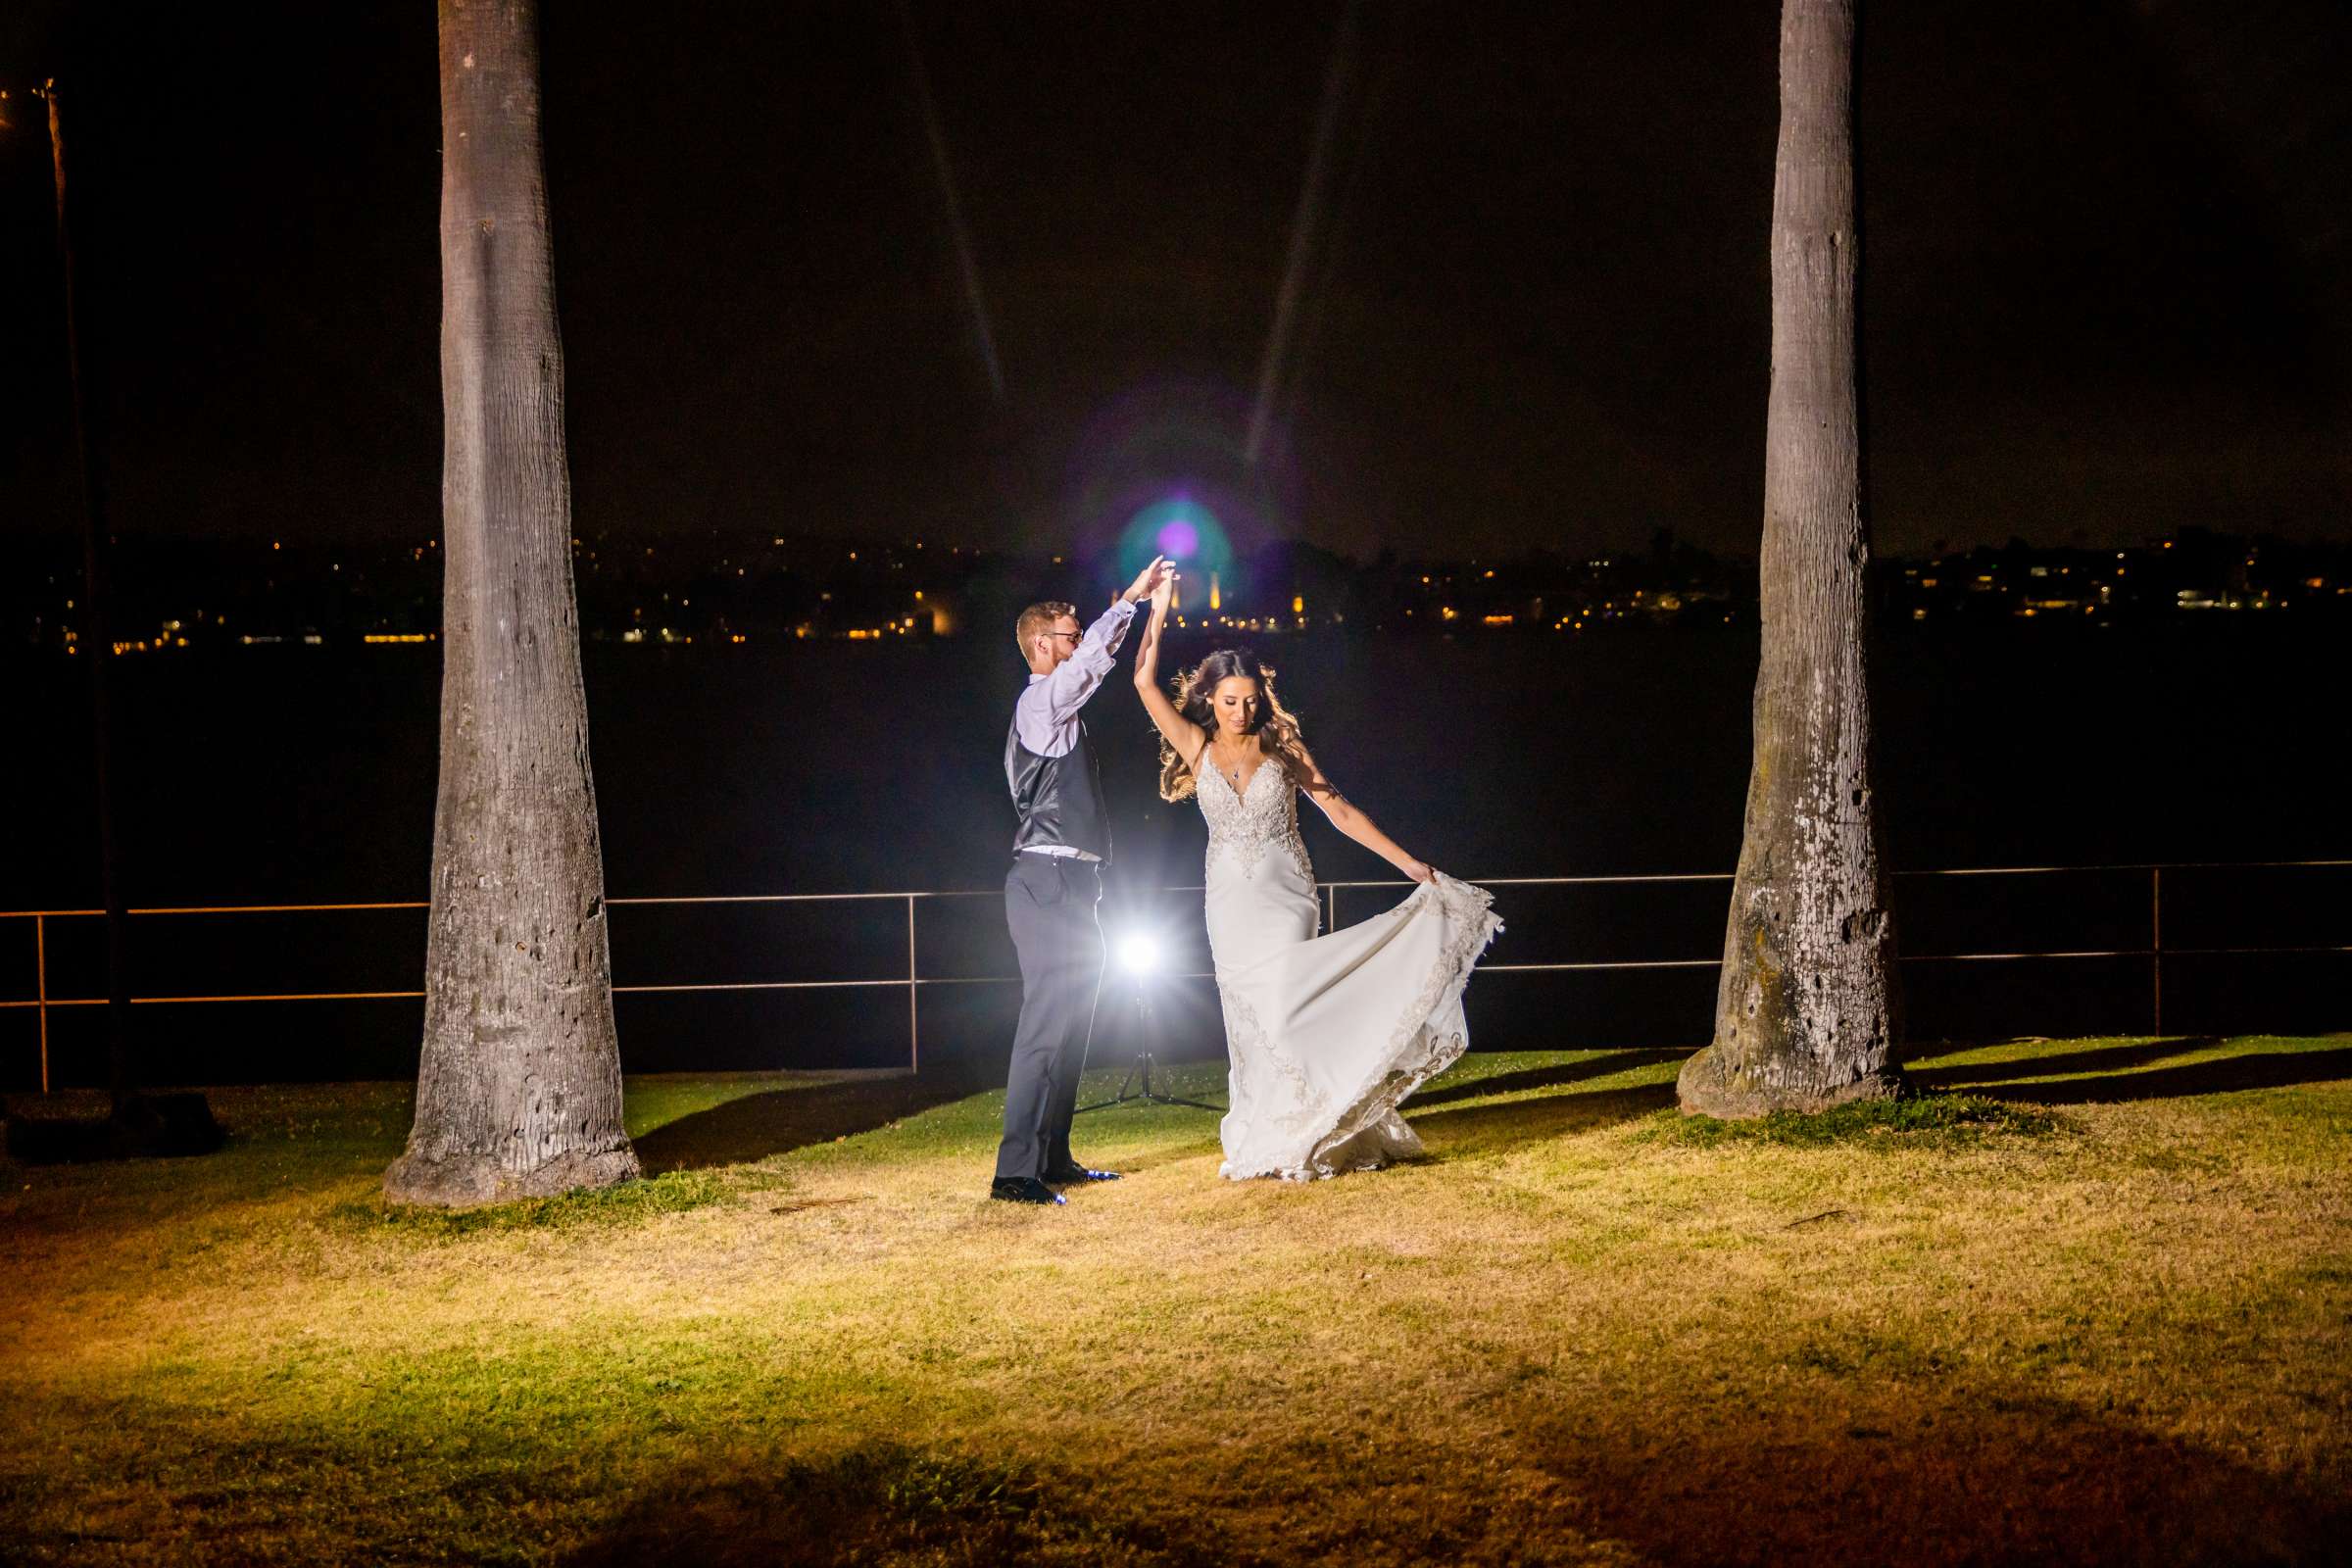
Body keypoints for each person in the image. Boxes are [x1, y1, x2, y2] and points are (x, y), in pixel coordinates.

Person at [1131, 567, 1501, 1180]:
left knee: (1289, 1007)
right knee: (1252, 1020)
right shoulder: (1196, 746)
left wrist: (1409, 863)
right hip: (1227, 900)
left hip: (1286, 894)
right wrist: (1161, 605)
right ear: (1210, 700)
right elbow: (1143, 679)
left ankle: (1313, 1132)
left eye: (1250, 700)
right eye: (1230, 702)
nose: (1242, 711)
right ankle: (1268, 1131)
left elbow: (1340, 809)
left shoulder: (1283, 744)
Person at [989, 555, 1172, 1205]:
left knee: (1074, 1023)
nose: (1078, 644)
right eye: (1068, 634)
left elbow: (1093, 657)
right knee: (1045, 1021)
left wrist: (1132, 603)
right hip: (1045, 883)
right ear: (1043, 645)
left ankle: (1053, 1156)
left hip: (1078, 887)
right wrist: (1128, 601)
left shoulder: (1058, 712)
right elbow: (1095, 662)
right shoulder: (1041, 701)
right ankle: (1014, 1173)